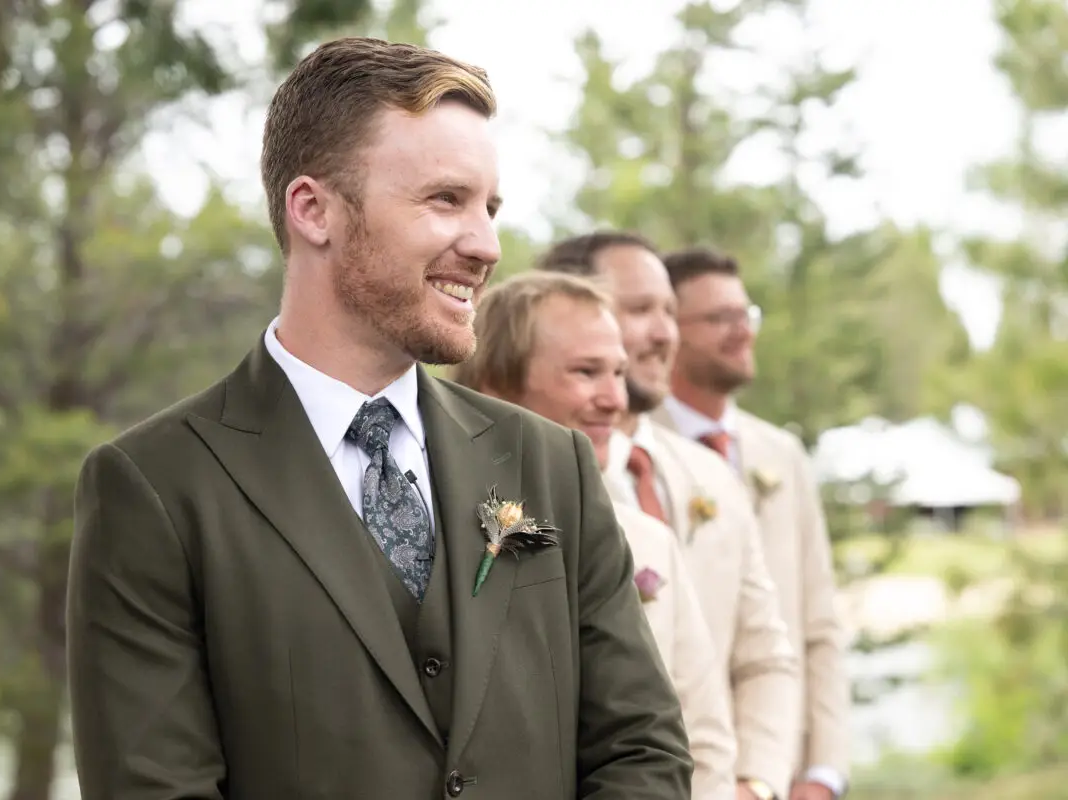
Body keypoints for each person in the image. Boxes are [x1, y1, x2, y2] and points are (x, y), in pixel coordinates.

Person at [65, 37, 692, 800]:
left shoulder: (550, 464)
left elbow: (642, 751)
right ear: (313, 210)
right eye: (444, 201)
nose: (487, 245)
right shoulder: (157, 488)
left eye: (489, 208)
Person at [452, 270, 739, 798]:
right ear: (493, 384)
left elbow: (702, 741)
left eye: (619, 373)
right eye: (587, 372)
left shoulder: (650, 541)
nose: (616, 399)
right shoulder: (434, 530)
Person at [539, 232, 801, 800]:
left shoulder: (713, 478)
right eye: (639, 311)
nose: (664, 335)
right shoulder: (532, 495)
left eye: (670, 312)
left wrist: (755, 785)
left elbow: (766, 657)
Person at [656, 246, 850, 800]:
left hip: (789, 775)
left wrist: (823, 774)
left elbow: (820, 624)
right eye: (720, 318)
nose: (743, 332)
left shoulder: (781, 453)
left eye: (747, 315)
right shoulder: (636, 452)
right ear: (668, 332)